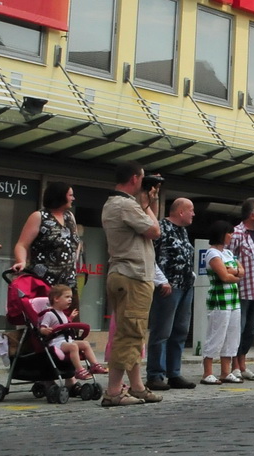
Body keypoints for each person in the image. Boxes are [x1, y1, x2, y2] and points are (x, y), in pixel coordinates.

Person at [99, 164, 163, 407]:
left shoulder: (115, 203)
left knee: (133, 332)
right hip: (134, 275)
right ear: (135, 178)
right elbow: (154, 230)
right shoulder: (126, 204)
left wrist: (147, 203)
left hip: (121, 273)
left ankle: (137, 387)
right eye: (143, 179)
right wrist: (146, 204)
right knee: (130, 334)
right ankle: (114, 391)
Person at [146, 197, 197, 391]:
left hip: (185, 286)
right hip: (168, 286)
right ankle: (155, 375)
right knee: (162, 331)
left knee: (180, 331)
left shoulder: (183, 231)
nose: (193, 214)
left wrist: (190, 275)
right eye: (191, 210)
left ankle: (174, 372)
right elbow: (151, 255)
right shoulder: (161, 228)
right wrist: (161, 280)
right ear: (180, 212)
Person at [228, 198, 254, 382]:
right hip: (242, 288)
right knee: (239, 327)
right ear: (251, 214)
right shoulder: (236, 233)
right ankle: (234, 366)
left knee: (251, 330)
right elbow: (227, 258)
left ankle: (243, 364)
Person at [13, 181, 80, 289]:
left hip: (68, 283)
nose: (73, 198)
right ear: (60, 196)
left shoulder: (70, 216)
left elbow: (75, 241)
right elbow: (22, 244)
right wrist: (21, 261)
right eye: (70, 195)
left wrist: (74, 257)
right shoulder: (39, 217)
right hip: (43, 281)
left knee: (70, 305)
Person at [200, 221, 243, 385]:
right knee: (216, 334)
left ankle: (226, 371)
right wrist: (234, 274)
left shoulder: (229, 253)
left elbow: (241, 271)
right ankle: (207, 372)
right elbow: (224, 277)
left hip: (233, 300)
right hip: (219, 300)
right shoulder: (212, 253)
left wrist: (234, 272)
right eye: (229, 233)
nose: (231, 236)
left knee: (232, 336)